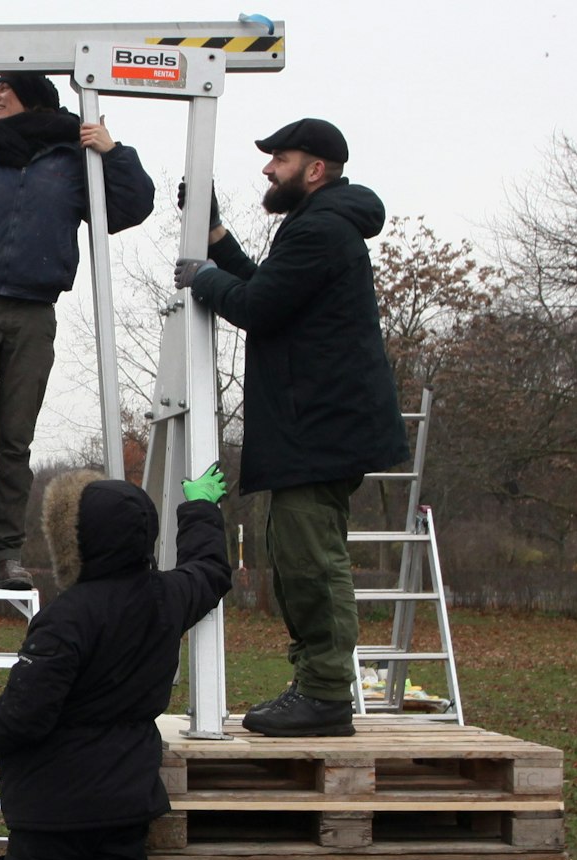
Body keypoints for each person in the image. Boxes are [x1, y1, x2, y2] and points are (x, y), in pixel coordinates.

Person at [0, 465, 232, 860]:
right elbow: (211, 571)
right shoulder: (165, 601)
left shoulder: (66, 619)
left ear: (77, 541)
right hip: (119, 818)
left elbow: (18, 722)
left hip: (45, 825)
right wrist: (199, 508)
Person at [174, 118, 408, 738]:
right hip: (315, 426)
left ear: (316, 169)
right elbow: (265, 288)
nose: (268, 168)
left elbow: (255, 307)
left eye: (281, 157)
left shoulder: (323, 230)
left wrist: (201, 277)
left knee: (311, 561)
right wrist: (219, 241)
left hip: (320, 428)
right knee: (295, 555)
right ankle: (317, 685)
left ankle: (326, 694)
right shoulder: (316, 226)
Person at [0, 55, 155, 592]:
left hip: (34, 311)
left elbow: (133, 206)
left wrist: (113, 152)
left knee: (15, 442)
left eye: (3, 90)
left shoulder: (74, 160)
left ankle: (5, 555)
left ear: (33, 95)